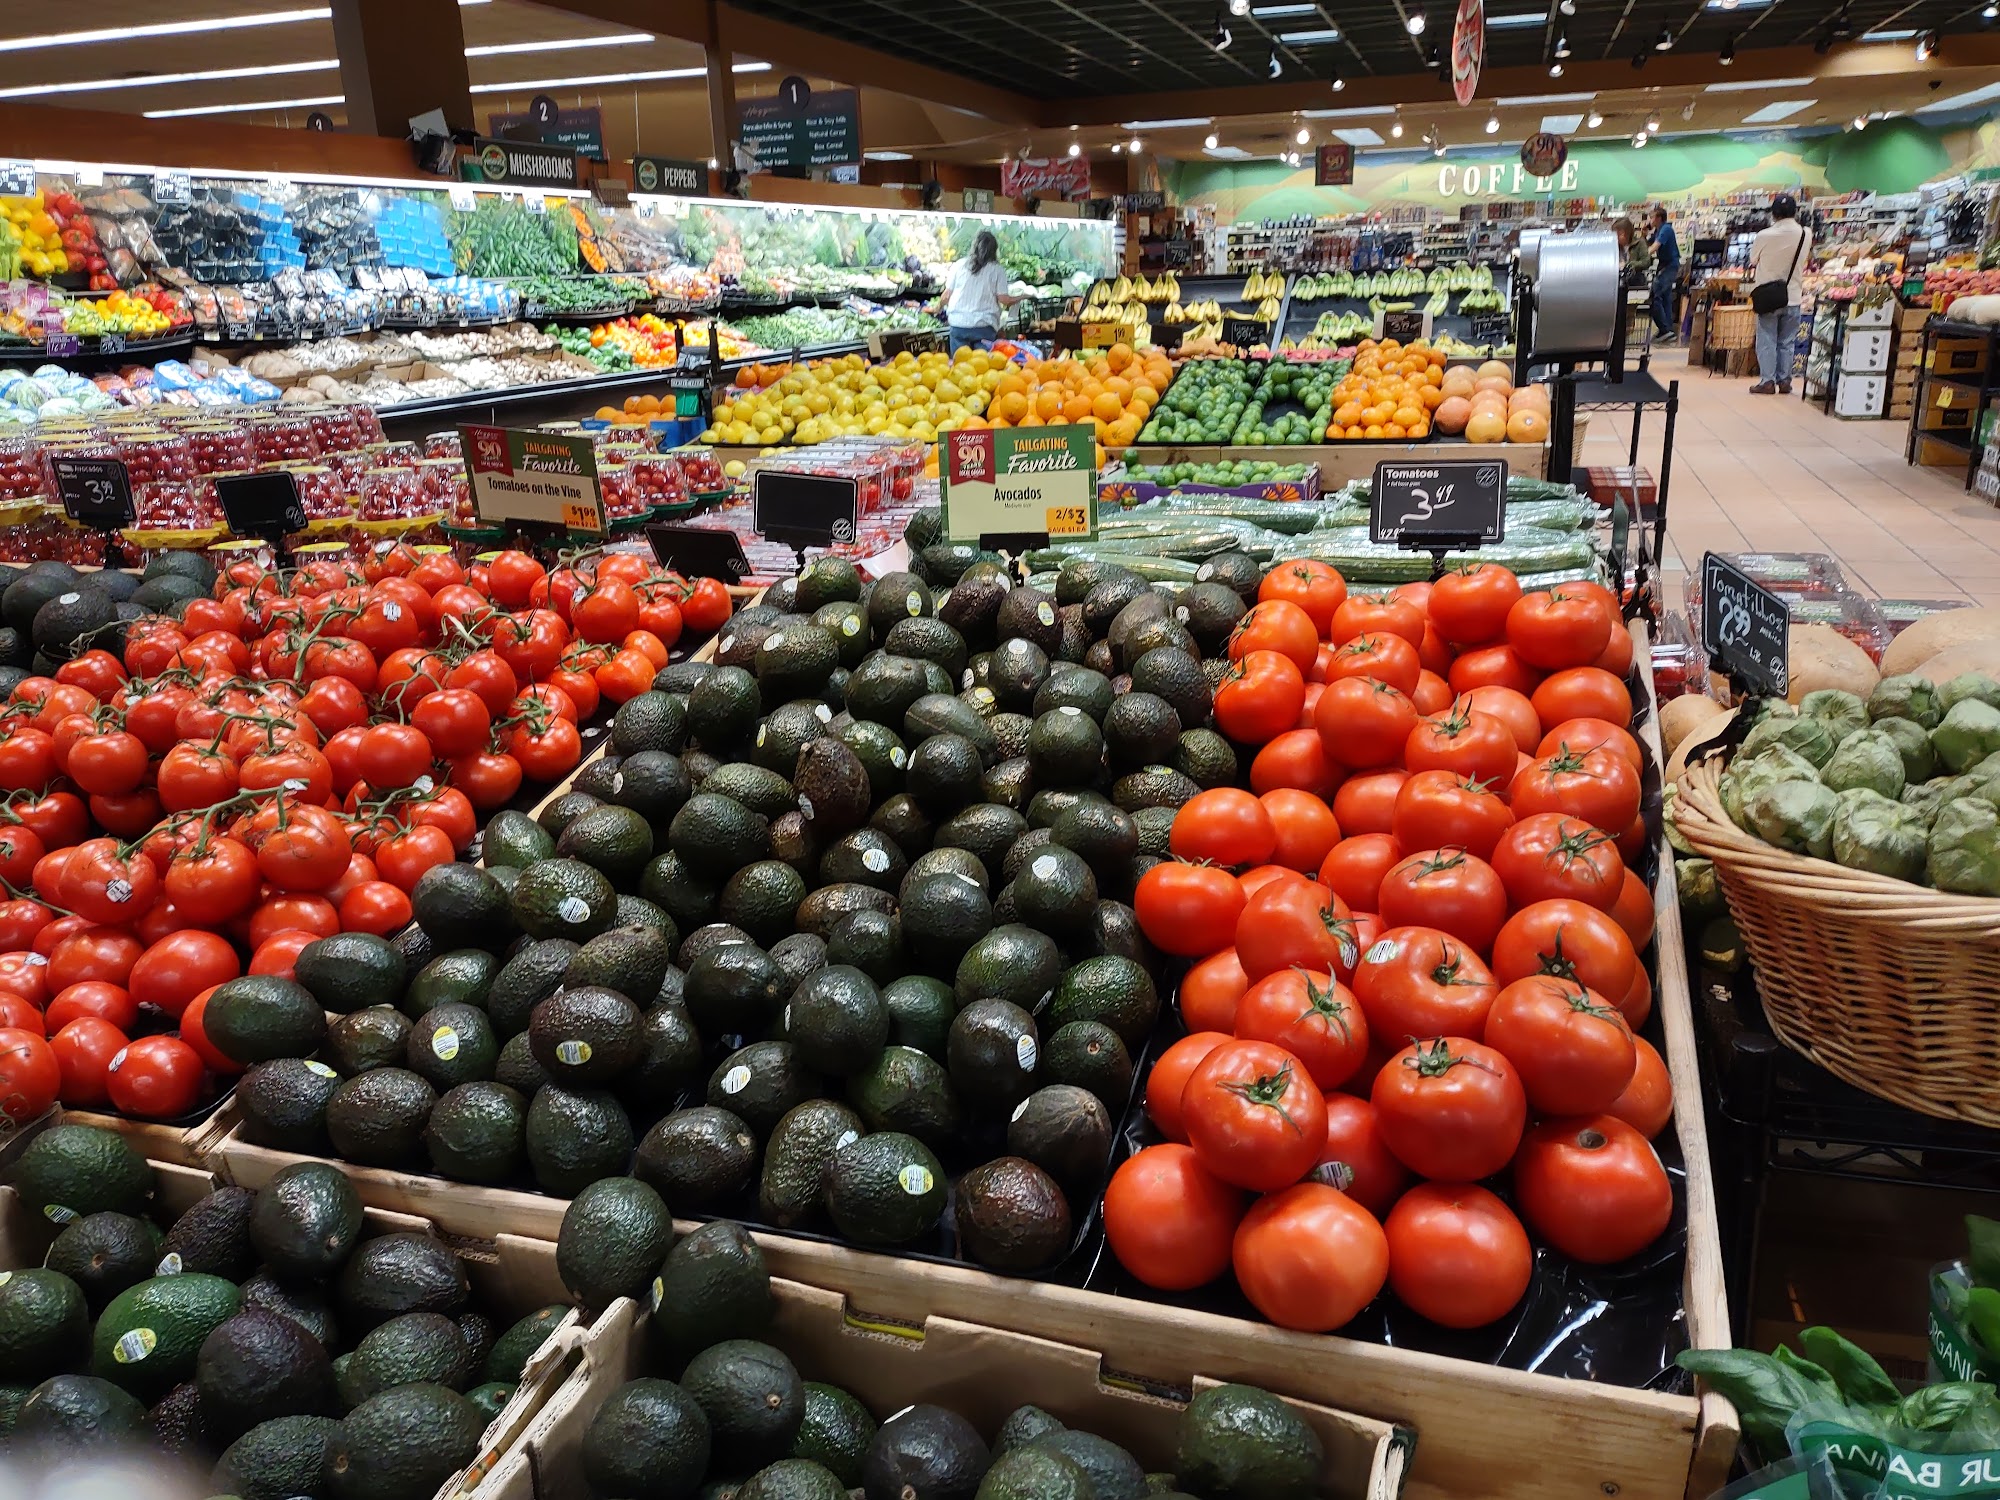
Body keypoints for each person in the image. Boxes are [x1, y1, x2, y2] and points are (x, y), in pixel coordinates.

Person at [1748, 193, 1811, 396]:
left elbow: (1753, 260)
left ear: (1773, 214)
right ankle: (1785, 381)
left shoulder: (1764, 235)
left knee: (1767, 339)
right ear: (1795, 212)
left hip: (1768, 297)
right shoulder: (1805, 234)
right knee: (1787, 341)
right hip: (1793, 295)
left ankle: (1767, 381)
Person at [934, 230, 1017, 354]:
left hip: (959, 325)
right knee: (982, 363)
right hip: (984, 326)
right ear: (994, 250)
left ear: (974, 246)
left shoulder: (959, 265)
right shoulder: (997, 270)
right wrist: (1023, 297)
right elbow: (1004, 300)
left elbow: (946, 295)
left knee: (960, 363)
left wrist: (938, 307)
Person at [1647, 205, 1680, 341]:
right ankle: (1668, 330)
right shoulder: (1658, 230)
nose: (1650, 220)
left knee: (1655, 295)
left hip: (1669, 266)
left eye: (1652, 217)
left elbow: (1655, 246)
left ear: (1659, 218)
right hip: (1666, 265)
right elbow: (1648, 243)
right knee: (1665, 298)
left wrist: (1644, 256)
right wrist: (1644, 233)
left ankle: (1664, 329)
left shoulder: (1666, 229)